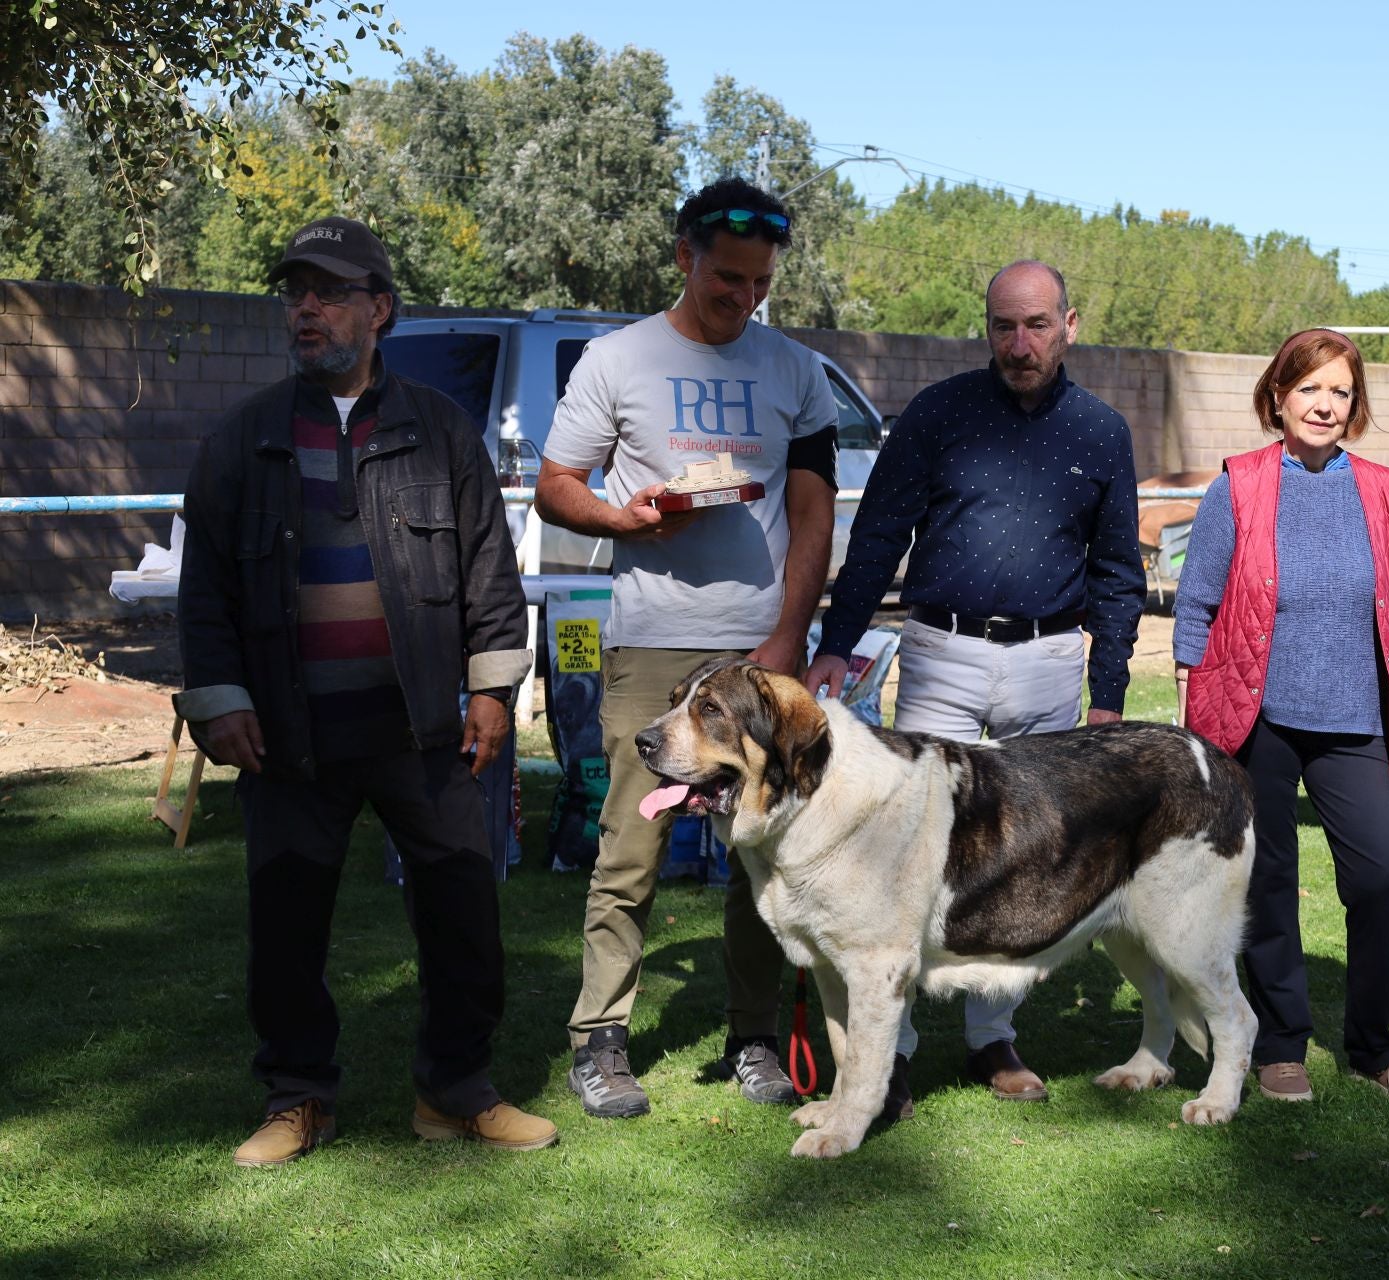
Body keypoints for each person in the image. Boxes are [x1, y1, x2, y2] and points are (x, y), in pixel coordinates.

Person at [175, 216, 555, 1166]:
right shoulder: (241, 440)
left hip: (424, 730)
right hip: (290, 737)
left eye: (331, 291)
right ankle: (298, 1096)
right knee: (287, 922)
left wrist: (494, 688)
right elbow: (206, 590)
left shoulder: (442, 429)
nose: (308, 308)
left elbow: (488, 574)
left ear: (380, 309)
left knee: (463, 913)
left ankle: (456, 1091)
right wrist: (218, 697)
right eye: (297, 292)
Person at [805, 260, 1147, 1117]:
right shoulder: (939, 413)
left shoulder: (1103, 431)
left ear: (1071, 323)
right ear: (984, 328)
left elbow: (1116, 573)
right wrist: (837, 647)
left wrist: (1108, 696)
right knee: (909, 850)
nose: (1019, 343)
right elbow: (879, 532)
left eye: (1036, 325)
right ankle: (894, 1052)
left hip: (1048, 660)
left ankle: (994, 1034)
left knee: (1025, 852)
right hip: (942, 650)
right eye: (1003, 326)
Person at [534, 178, 837, 1118]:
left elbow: (813, 506)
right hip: (652, 647)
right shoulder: (617, 360)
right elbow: (554, 486)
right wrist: (620, 518)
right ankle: (601, 1042)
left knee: (762, 857)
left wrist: (787, 635)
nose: (744, 298)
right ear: (683, 257)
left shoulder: (796, 369)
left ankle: (754, 1039)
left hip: (759, 649)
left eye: (759, 284)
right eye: (726, 280)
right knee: (632, 846)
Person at [1172, 328, 1389, 1106]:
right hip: (1258, 714)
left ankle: (1376, 1046)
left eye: (1340, 392)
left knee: (1382, 880)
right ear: (1278, 396)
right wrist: (1195, 712)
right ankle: (1280, 1045)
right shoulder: (1240, 486)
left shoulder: (1384, 491)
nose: (1324, 404)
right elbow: (1198, 601)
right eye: (1310, 388)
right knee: (1268, 881)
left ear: (1355, 406)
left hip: (1354, 716)